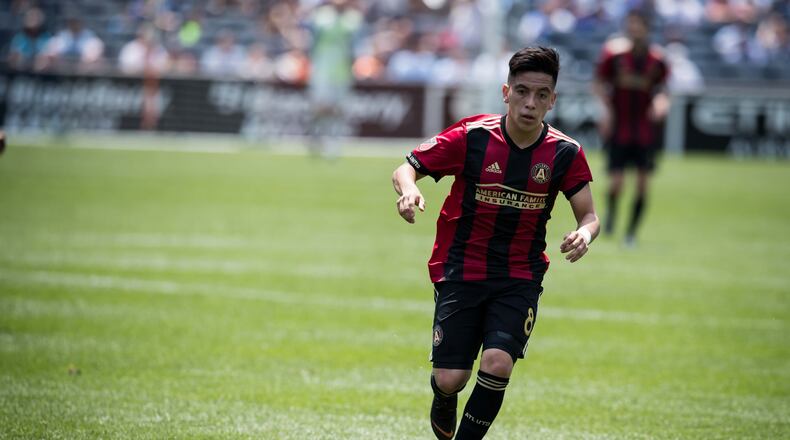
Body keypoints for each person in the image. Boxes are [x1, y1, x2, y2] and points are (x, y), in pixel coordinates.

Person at [391, 46, 599, 440]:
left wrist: (585, 233)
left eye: (541, 95)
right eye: (522, 92)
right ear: (506, 93)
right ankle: (442, 395)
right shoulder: (472, 136)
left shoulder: (565, 152)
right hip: (460, 267)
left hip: (519, 274)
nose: (530, 103)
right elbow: (408, 167)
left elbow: (590, 215)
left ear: (552, 100)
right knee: (451, 378)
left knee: (498, 363)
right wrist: (407, 192)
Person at [592, 10, 669, 246]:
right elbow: (597, 83)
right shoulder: (614, 54)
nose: (635, 29)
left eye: (639, 25)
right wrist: (606, 111)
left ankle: (631, 233)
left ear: (647, 29)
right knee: (616, 182)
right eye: (631, 25)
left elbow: (664, 89)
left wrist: (661, 104)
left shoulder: (657, 59)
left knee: (643, 183)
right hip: (620, 127)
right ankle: (612, 215)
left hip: (644, 130)